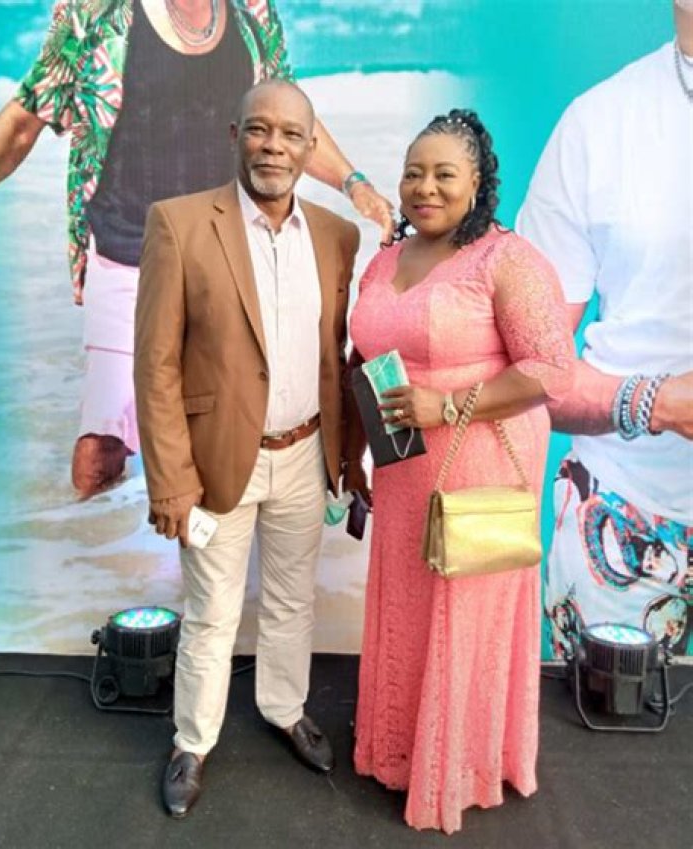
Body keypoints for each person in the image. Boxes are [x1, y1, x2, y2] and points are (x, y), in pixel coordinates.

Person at [0, 0, 392, 499]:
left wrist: (353, 182)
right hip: (127, 253)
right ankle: (92, 538)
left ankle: (186, 545)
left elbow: (288, 117)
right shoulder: (97, 14)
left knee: (226, 434)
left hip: (228, 259)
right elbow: (23, 121)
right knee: (99, 450)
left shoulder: (252, 13)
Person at [342, 109, 575, 834]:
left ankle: (461, 763)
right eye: (414, 172)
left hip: (479, 462)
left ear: (478, 182)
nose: (426, 187)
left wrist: (446, 405)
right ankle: (404, 750)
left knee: (463, 607)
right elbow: (363, 356)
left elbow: (550, 368)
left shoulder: (507, 259)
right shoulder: (385, 258)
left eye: (445, 173)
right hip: (403, 464)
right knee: (410, 604)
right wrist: (353, 447)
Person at [134, 79, 360, 818]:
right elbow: (156, 366)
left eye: (291, 135)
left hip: (305, 454)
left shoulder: (337, 236)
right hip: (215, 462)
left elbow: (337, 356)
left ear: (310, 147)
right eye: (260, 130)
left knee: (292, 600)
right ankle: (192, 742)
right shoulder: (178, 224)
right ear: (235, 135)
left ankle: (285, 709)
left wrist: (349, 458)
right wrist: (171, 482)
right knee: (211, 612)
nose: (274, 147)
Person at [516, 0, 693, 659]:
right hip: (622, 521)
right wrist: (662, 402)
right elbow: (528, 367)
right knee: (601, 726)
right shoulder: (599, 122)